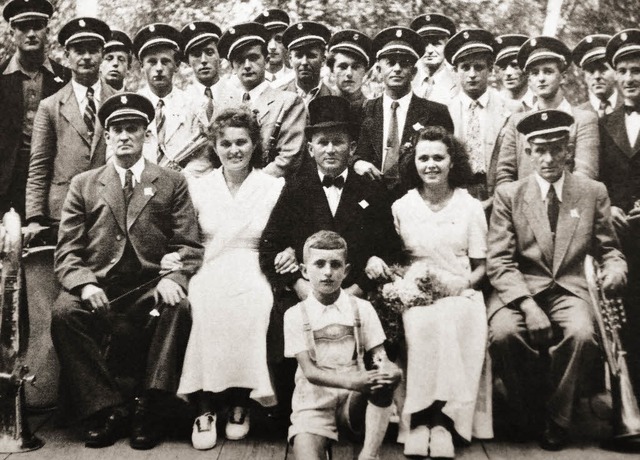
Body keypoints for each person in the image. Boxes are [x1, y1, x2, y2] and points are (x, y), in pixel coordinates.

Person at [51, 92, 203, 450]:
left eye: (132, 128)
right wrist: (85, 285)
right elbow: (67, 252)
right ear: (106, 136)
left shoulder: (171, 181)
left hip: (149, 288)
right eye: (116, 129)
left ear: (145, 133)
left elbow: (189, 245)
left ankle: (149, 407)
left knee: (178, 306)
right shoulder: (84, 184)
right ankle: (109, 409)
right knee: (63, 313)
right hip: (101, 287)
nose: (124, 136)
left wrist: (174, 278)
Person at [488, 109, 627, 450]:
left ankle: (557, 418)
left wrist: (616, 268)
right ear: (527, 152)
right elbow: (499, 262)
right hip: (521, 286)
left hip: (570, 288)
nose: (548, 158)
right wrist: (527, 305)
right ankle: (527, 413)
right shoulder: (510, 195)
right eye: (540, 149)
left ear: (568, 150)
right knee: (505, 334)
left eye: (556, 148)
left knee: (581, 335)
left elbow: (609, 249)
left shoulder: (592, 191)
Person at [259, 95, 400, 421]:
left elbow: (389, 247)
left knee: (378, 319)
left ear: (352, 148)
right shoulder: (296, 189)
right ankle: (290, 408)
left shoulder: (370, 190)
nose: (331, 150)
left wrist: (358, 289)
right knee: (284, 315)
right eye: (323, 142)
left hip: (356, 289)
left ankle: (364, 403)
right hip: (306, 289)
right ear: (310, 148)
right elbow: (269, 247)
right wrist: (297, 284)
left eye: (339, 142)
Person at [380, 125, 492, 457]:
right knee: (420, 323)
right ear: (413, 162)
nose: (431, 165)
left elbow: (482, 265)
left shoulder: (469, 206)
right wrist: (407, 283)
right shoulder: (403, 206)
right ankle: (417, 420)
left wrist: (463, 283)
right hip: (414, 288)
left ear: (452, 161)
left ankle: (443, 420)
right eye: (423, 157)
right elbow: (394, 258)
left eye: (438, 158)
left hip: (460, 288)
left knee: (454, 317)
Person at [178, 107, 287, 449]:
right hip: (210, 263)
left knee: (255, 303)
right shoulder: (199, 187)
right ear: (215, 146)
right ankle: (206, 406)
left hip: (254, 263)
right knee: (206, 303)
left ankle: (240, 401)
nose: (234, 150)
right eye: (225, 143)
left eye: (242, 142)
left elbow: (284, 234)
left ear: (255, 144)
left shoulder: (272, 186)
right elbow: (187, 237)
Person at [284, 230, 401, 460]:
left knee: (381, 381)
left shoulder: (361, 308)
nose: (328, 272)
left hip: (352, 401)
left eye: (335, 264)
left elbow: (379, 357)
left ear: (346, 271)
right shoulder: (295, 314)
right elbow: (310, 372)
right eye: (319, 264)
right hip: (313, 406)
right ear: (305, 271)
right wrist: (354, 381)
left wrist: (389, 370)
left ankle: (369, 454)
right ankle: (319, 444)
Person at [24, 16, 115, 244]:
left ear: (102, 54)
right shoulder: (50, 106)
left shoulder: (118, 100)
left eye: (92, 50)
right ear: (67, 55)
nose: (85, 57)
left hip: (111, 208)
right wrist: (35, 217)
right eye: (78, 50)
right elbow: (39, 166)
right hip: (64, 213)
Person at [352, 26, 454, 196]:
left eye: (404, 63)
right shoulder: (361, 110)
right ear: (378, 70)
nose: (397, 69)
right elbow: (346, 151)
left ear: (413, 72)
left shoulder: (436, 112)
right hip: (369, 201)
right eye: (391, 63)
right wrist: (356, 163)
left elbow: (448, 157)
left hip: (417, 199)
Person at [496, 36, 600, 185]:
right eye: (535, 73)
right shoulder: (517, 122)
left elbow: (585, 172)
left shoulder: (584, 120)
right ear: (529, 80)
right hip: (524, 205)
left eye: (548, 71)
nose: (541, 78)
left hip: (570, 204)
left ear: (562, 77)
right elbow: (504, 174)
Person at [0, 0, 70, 219]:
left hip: (52, 180)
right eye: (23, 27)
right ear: (12, 32)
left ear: (47, 30)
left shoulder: (66, 78)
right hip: (5, 182)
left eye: (37, 26)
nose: (31, 33)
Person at [599, 29, 640, 400]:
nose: (630, 78)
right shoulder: (603, 124)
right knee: (626, 315)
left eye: (638, 70)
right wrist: (608, 205)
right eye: (623, 70)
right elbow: (596, 179)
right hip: (620, 237)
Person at [215, 22, 307, 178]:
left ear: (266, 59)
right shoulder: (224, 106)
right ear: (232, 66)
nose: (247, 65)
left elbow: (289, 158)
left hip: (272, 191)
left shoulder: (289, 102)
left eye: (253, 58)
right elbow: (212, 154)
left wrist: (253, 187)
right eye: (240, 60)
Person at [444, 28, 517, 208]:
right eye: (465, 67)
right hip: (456, 194)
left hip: (500, 193)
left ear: (490, 69)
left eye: (479, 67)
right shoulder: (443, 111)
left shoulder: (510, 109)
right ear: (455, 70)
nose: (472, 74)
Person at [133, 23, 192, 168]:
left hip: (183, 186)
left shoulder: (192, 106)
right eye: (152, 62)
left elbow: (202, 159)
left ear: (177, 65)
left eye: (165, 61)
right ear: (142, 66)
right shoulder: (133, 105)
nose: (159, 68)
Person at [180, 20, 225, 176]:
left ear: (220, 55)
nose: (204, 60)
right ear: (188, 61)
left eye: (210, 52)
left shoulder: (239, 95)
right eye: (196, 55)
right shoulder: (182, 102)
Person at [279, 21, 335, 105]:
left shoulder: (335, 98)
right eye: (299, 56)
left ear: (323, 60)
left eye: (311, 56)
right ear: (290, 60)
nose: (304, 62)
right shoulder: (277, 96)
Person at [326, 29, 373, 125]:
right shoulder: (323, 107)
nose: (349, 73)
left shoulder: (373, 111)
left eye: (356, 67)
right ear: (332, 70)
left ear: (365, 72)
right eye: (343, 67)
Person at [409, 13, 458, 104]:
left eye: (436, 44)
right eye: (424, 44)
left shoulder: (457, 83)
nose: (430, 50)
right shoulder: (407, 79)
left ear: (447, 47)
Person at [573, 34, 622, 117]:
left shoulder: (630, 107)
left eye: (603, 69)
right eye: (591, 71)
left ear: (616, 72)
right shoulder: (577, 115)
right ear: (585, 77)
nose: (597, 76)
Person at [494, 34, 535, 111]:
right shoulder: (493, 103)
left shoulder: (539, 102)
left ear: (527, 70)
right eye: (503, 67)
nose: (508, 73)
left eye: (515, 66)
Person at [254, 8, 294, 87]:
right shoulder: (251, 81)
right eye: (267, 40)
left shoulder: (295, 78)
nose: (272, 47)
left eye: (279, 39)